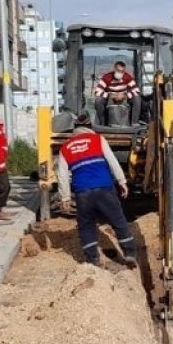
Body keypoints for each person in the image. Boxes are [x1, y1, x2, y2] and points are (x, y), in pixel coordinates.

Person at [56, 113, 136, 266]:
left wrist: (65, 197)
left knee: (86, 225)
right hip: (104, 188)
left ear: (74, 130)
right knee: (118, 220)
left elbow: (62, 175)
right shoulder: (98, 139)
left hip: (83, 192)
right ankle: (129, 254)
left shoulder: (65, 148)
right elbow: (112, 161)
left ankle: (93, 259)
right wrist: (122, 181)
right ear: (90, 127)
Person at [94, 61, 140, 126]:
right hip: (110, 98)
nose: (120, 73)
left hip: (124, 98)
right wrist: (109, 95)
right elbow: (97, 91)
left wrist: (125, 95)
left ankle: (134, 123)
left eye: (122, 71)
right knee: (98, 100)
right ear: (114, 69)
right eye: (118, 70)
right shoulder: (107, 77)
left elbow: (136, 91)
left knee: (137, 98)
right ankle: (102, 123)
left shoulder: (127, 77)